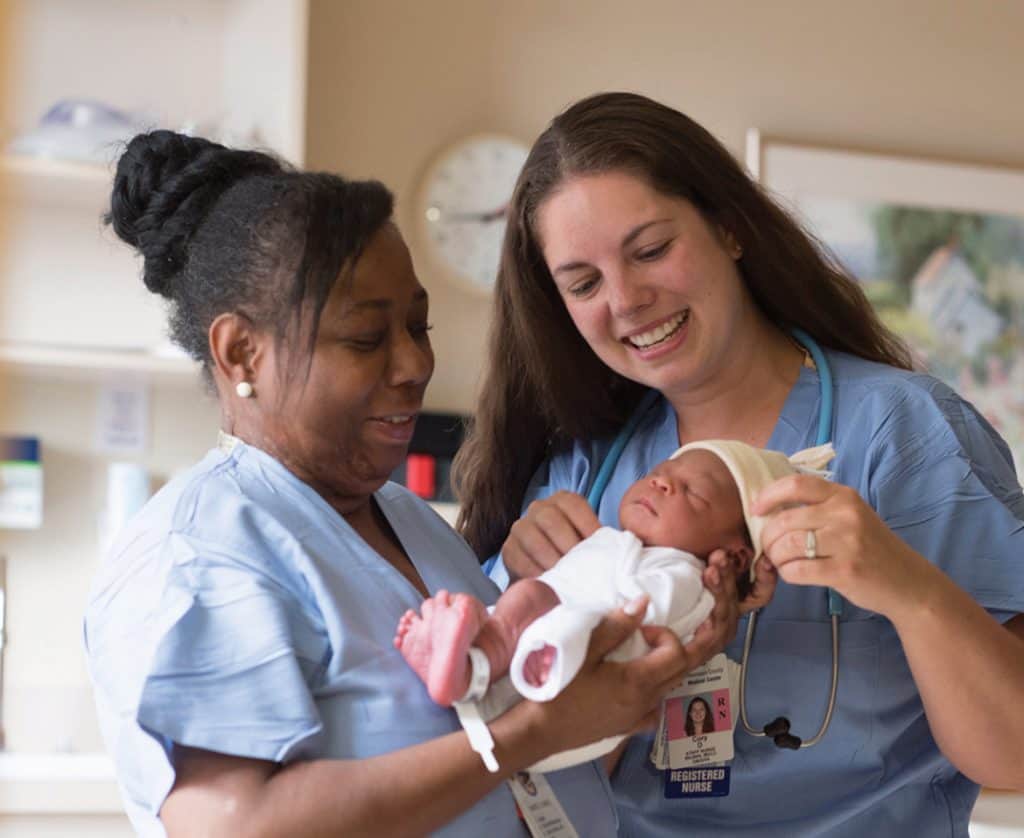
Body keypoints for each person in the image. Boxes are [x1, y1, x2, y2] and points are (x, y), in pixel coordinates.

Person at [82, 129, 702, 838]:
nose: (413, 364)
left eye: (418, 325)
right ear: (239, 350)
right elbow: (237, 824)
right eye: (366, 338)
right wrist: (531, 733)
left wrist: (641, 663)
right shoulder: (198, 553)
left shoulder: (409, 524)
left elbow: (516, 770)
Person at [453, 92, 1024, 836]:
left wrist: (908, 590)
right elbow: (525, 783)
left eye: (651, 249)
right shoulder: (580, 477)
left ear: (728, 227)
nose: (626, 300)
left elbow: (1012, 756)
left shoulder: (903, 434)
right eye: (584, 283)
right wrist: (559, 611)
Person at [397, 440, 830, 711]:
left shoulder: (686, 576)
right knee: (520, 597)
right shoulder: (618, 540)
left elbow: (645, 615)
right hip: (542, 649)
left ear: (734, 557)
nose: (661, 484)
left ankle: (474, 652)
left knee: (531, 599)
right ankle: (459, 648)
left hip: (571, 656)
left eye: (693, 492)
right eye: (658, 474)